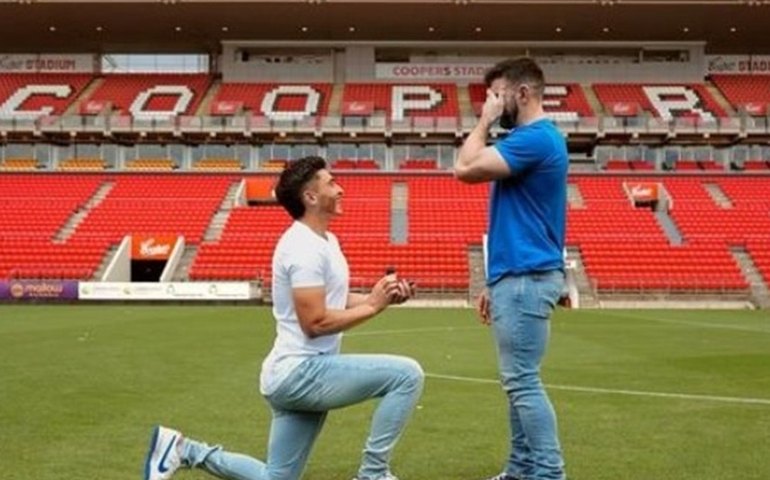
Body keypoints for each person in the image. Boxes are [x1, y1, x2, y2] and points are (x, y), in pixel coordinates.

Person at [143, 156, 423, 480]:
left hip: (293, 373)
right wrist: (372, 306)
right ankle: (373, 474)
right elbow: (315, 323)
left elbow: (335, 299)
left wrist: (383, 298)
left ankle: (182, 449)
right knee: (407, 375)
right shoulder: (302, 248)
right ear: (311, 197)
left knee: (277, 478)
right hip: (301, 372)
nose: (341, 188)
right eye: (331, 183)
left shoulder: (326, 241)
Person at [453, 57, 569, 480]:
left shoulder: (535, 138)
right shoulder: (534, 139)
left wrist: (483, 123)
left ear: (522, 93)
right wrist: (492, 281)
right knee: (517, 382)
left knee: (521, 382)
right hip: (515, 277)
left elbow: (464, 168)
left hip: (525, 278)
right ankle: (522, 469)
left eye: (497, 96)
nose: (492, 104)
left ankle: (548, 473)